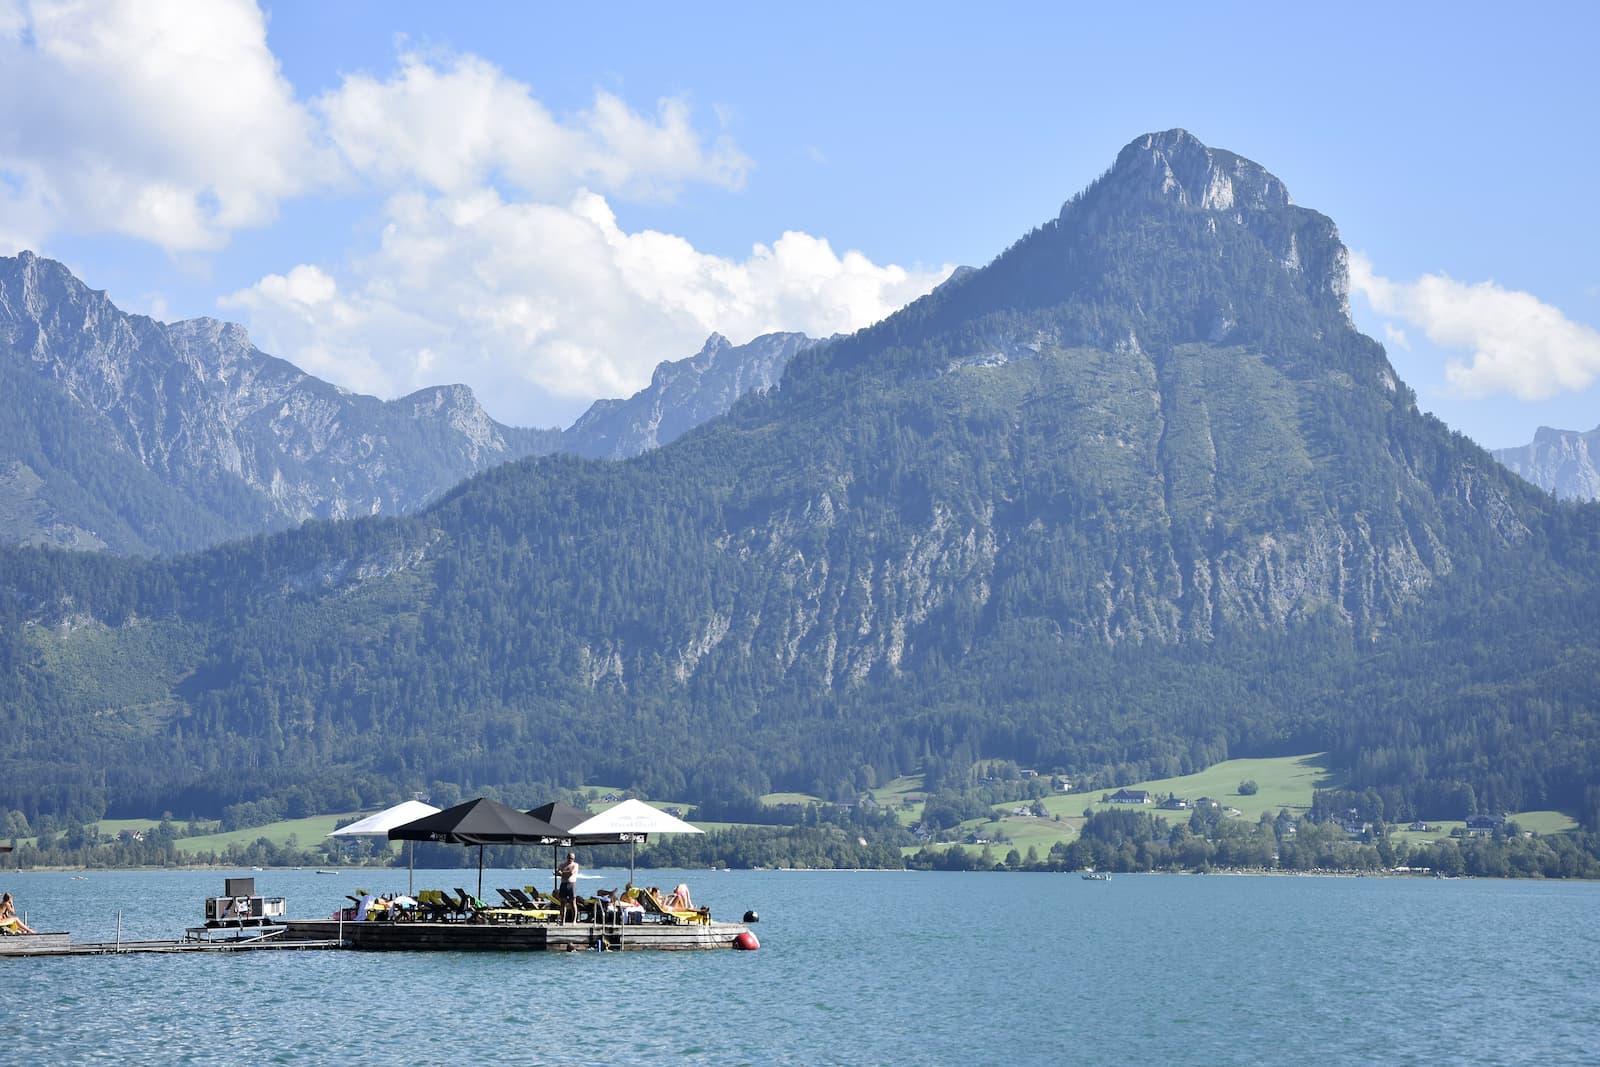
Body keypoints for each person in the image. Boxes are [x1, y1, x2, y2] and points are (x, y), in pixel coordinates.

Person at [555, 852, 580, 924]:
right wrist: (563, 873)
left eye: (572, 858)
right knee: (562, 903)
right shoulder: (562, 865)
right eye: (569, 858)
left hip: (571, 884)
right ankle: (562, 921)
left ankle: (574, 920)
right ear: (567, 857)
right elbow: (557, 872)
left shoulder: (575, 865)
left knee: (573, 903)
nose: (570, 859)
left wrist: (562, 873)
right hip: (563, 884)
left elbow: (571, 873)